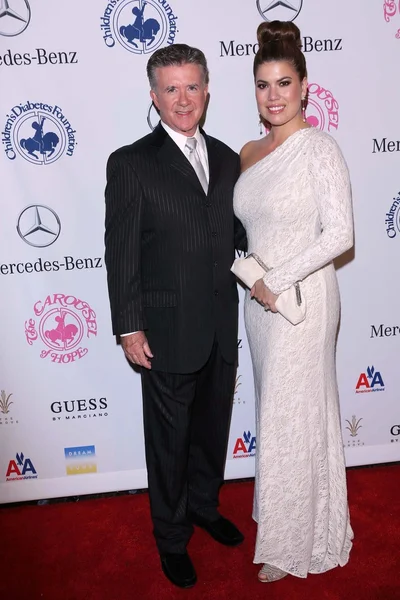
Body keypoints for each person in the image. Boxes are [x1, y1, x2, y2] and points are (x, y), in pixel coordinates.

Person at [104, 44, 247, 589]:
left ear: (207, 90)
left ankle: (204, 507)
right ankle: (170, 537)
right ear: (153, 96)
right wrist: (128, 324)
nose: (183, 99)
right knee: (168, 442)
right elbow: (121, 252)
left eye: (192, 87)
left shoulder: (231, 158)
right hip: (162, 332)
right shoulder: (131, 162)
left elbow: (236, 238)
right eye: (171, 89)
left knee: (212, 430)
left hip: (220, 325)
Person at [233, 21, 354, 582]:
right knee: (279, 415)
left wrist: (275, 278)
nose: (273, 95)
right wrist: (255, 278)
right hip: (258, 305)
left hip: (302, 300)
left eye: (284, 82)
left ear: (305, 85)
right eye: (263, 84)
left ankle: (289, 543)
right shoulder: (248, 151)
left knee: (291, 414)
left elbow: (340, 235)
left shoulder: (320, 148)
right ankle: (284, 516)